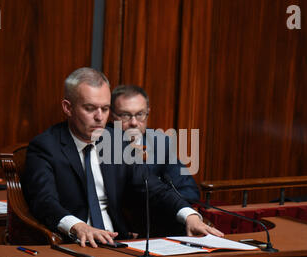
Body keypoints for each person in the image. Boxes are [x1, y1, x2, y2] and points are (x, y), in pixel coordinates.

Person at [22, 67, 223, 247]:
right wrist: (77, 226)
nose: (100, 117)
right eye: (90, 108)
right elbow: (44, 202)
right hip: (73, 245)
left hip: (120, 242)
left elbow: (151, 187)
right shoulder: (45, 146)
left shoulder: (115, 141)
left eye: (106, 108)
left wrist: (189, 215)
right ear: (68, 108)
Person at [110, 85, 200, 237]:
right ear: (112, 116)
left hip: (157, 228)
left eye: (140, 114)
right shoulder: (102, 143)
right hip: (115, 231)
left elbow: (189, 191)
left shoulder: (160, 143)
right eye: (125, 115)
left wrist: (157, 205)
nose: (133, 122)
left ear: (148, 113)